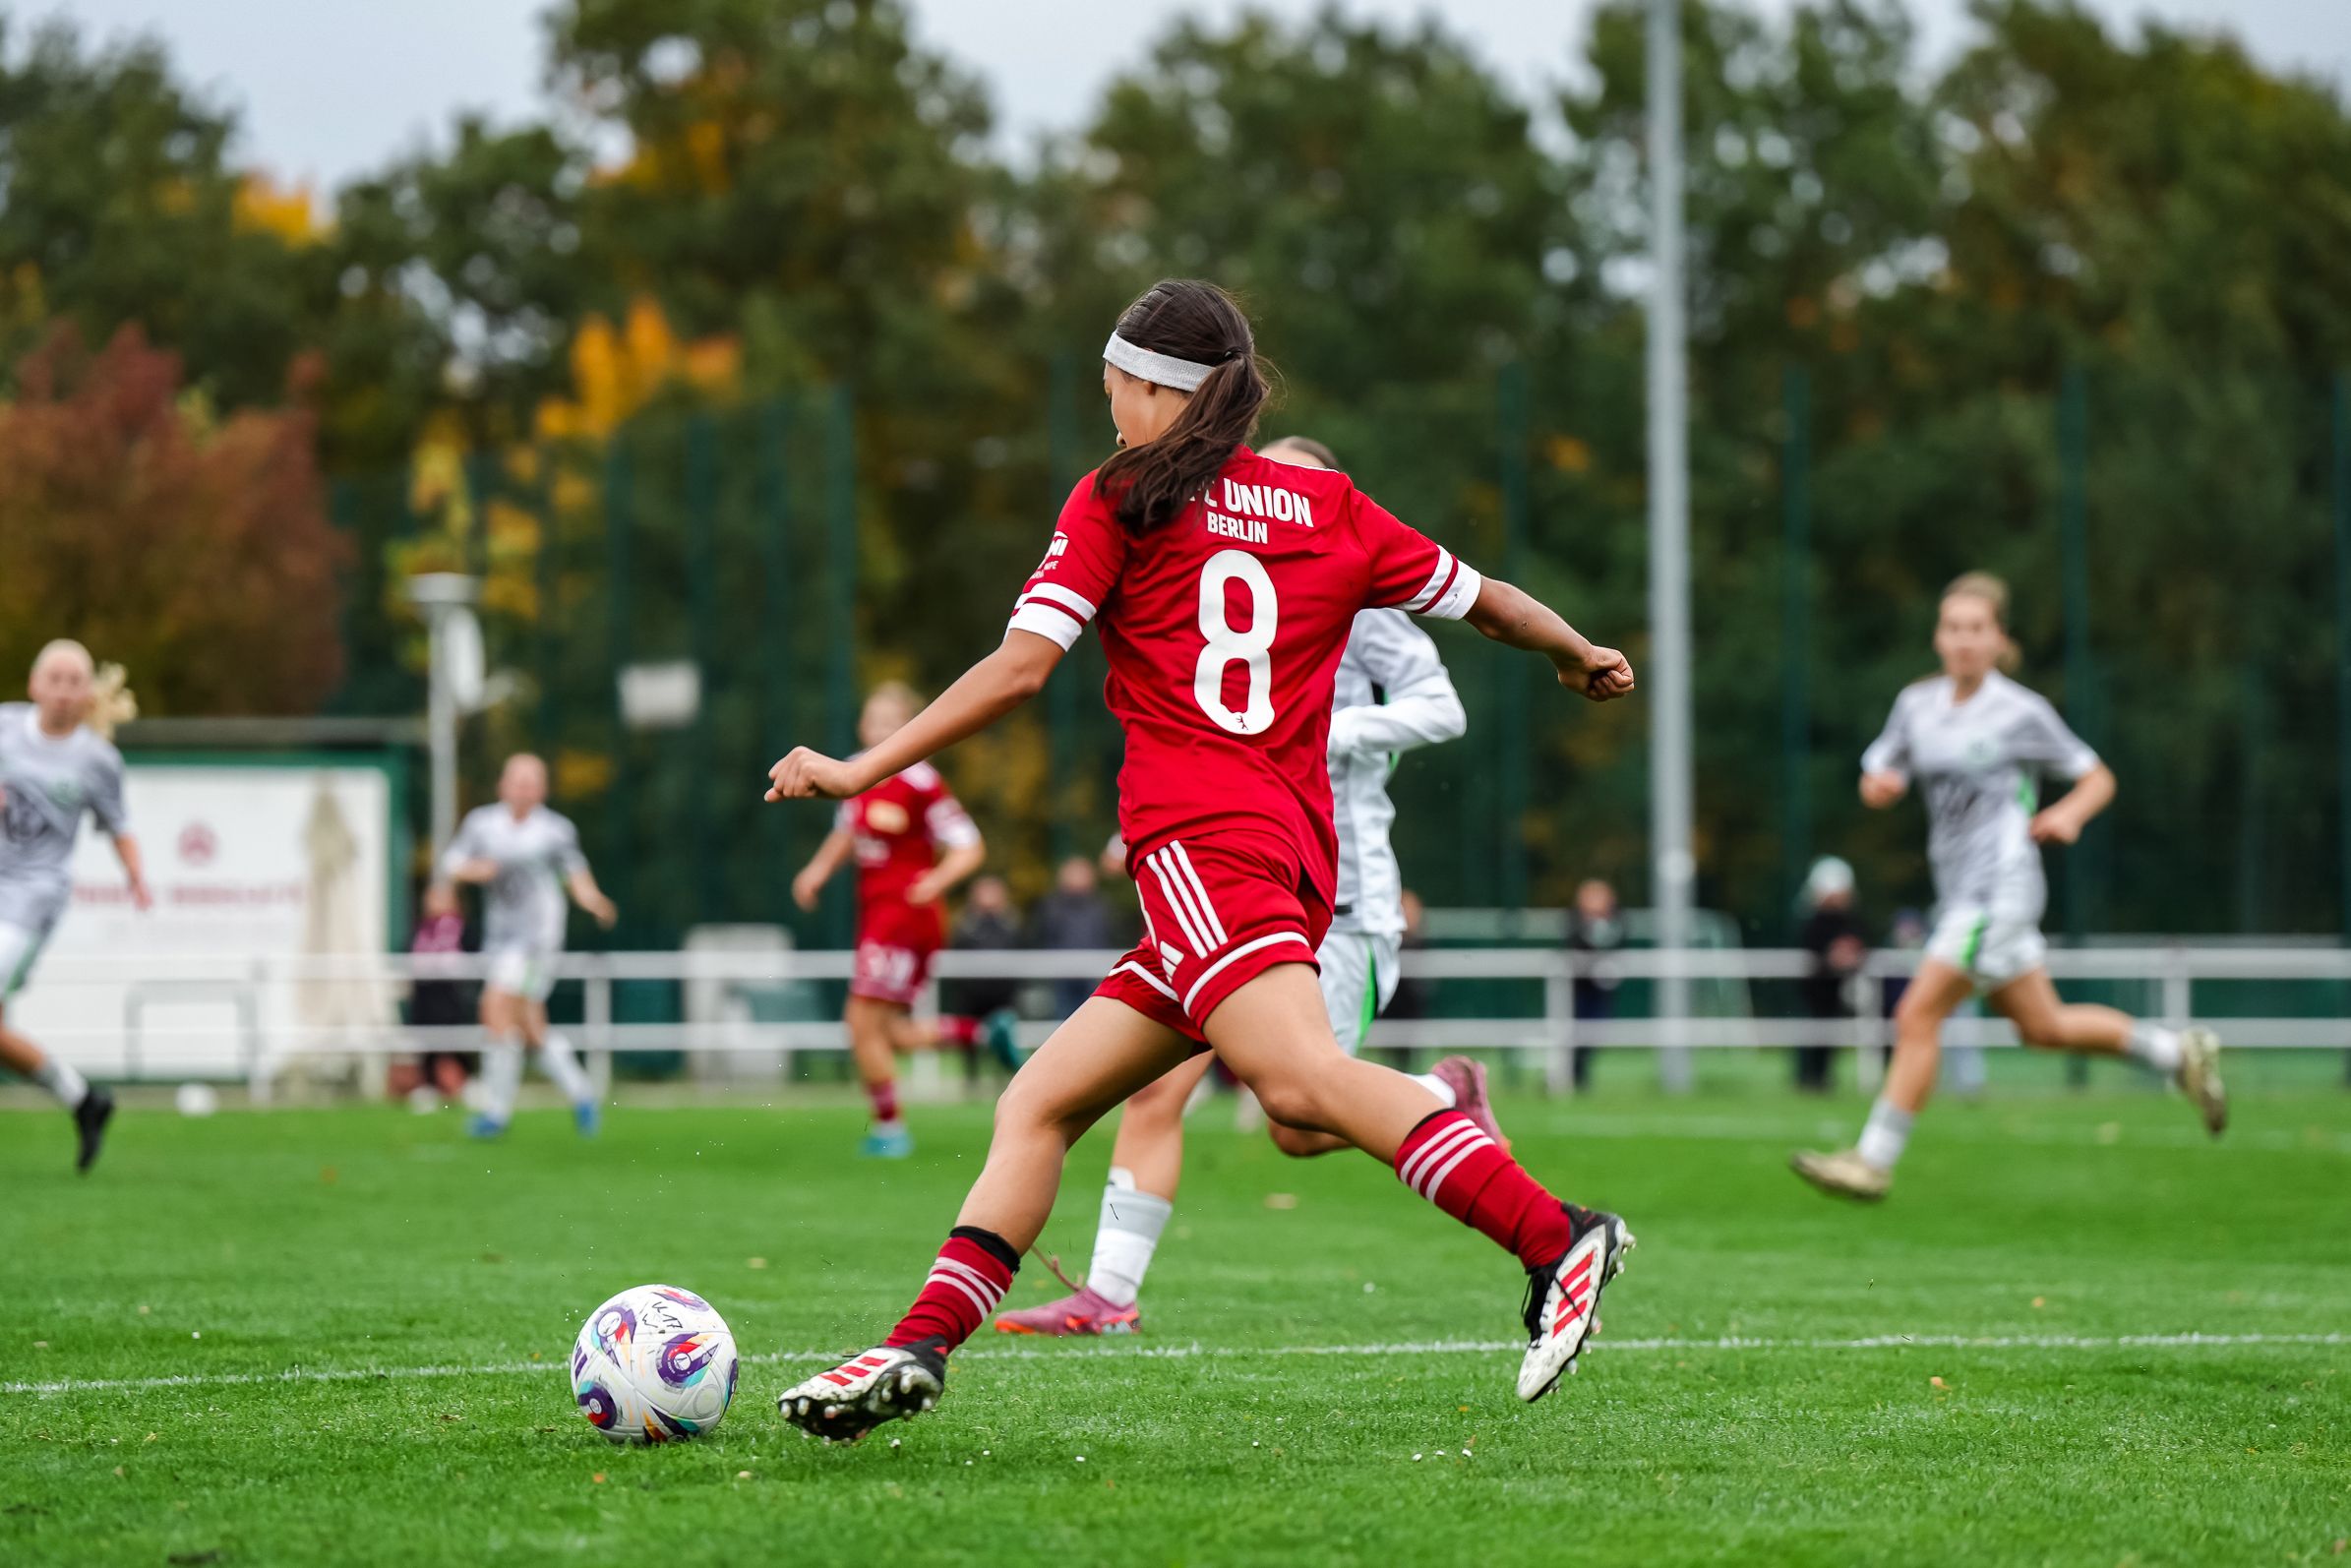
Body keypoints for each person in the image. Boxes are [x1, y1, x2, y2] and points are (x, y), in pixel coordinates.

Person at [765, 279, 1637, 1438]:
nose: (1107, 410)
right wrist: (1579, 654)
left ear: (1155, 389)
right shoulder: (1324, 501)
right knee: (1037, 1103)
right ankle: (916, 1346)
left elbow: (1021, 668)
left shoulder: (1117, 499)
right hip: (1282, 850)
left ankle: (1554, 1233)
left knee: (1297, 1087)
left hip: (1202, 842)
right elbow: (1489, 604)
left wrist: (860, 765)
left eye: (1113, 388)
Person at [995, 432, 1498, 1338]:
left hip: (1338, 901)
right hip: (1231, 877)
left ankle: (1438, 1096)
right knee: (1153, 1089)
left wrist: (1334, 733)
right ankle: (1109, 1295)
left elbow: (1444, 708)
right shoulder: (1210, 568)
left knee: (1296, 1125)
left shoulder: (1357, 587)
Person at [1792, 573, 2224, 1201]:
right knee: (2042, 1028)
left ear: (1998, 639)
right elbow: (1877, 766)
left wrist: (2069, 815)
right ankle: (2174, 1052)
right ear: (1938, 638)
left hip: (2002, 888)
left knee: (1917, 1012)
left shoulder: (2020, 711)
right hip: (1961, 892)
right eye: (1953, 628)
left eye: (1977, 629)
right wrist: (1878, 787)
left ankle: (1873, 1158)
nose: (1964, 640)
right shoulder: (1918, 705)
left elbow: (2097, 777)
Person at [792, 683, 991, 1157]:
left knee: (860, 1023)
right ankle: (981, 1033)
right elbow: (846, 834)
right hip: (879, 916)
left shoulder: (920, 781)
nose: (881, 729)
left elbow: (970, 845)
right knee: (888, 1032)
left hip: (903, 916)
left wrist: (938, 881)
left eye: (891, 723)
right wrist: (817, 871)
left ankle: (890, 1130)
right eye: (874, 719)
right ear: (863, 724)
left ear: (908, 729)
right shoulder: (853, 773)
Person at [0, 641, 146, 1172]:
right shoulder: (5, 728)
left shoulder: (96, 760)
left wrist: (137, 873)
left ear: (87, 695)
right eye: (54, 679)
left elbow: (120, 826)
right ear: (34, 685)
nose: (62, 691)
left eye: (74, 681)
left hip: (34, 896)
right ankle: (84, 1099)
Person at [441, 753, 618, 1138]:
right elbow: (451, 863)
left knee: (494, 1008)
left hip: (537, 941)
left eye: (531, 781)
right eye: (517, 781)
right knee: (531, 1030)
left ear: (542, 789)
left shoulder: (554, 831)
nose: (523, 789)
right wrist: (476, 870)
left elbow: (575, 874)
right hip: (500, 938)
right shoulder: (482, 824)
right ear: (503, 785)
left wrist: (594, 900)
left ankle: (495, 1112)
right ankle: (583, 1095)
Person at [1793, 856, 1866, 1094]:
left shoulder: (1852, 921)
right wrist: (1831, 956)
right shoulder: (1812, 922)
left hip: (1837, 987)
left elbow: (1861, 942)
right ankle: (1807, 1078)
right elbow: (1811, 947)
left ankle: (1821, 1078)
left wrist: (1850, 952)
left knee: (1830, 1034)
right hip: (1815, 988)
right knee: (1811, 1031)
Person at [407, 879, 477, 1103]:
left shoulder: (461, 928)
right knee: (427, 1041)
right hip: (425, 996)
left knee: (455, 1041)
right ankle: (428, 1085)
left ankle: (467, 1083)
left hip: (452, 996)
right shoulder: (419, 929)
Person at [1029, 855, 1118, 1019]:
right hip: (1061, 975)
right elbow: (1044, 937)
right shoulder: (1051, 906)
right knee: (1062, 1021)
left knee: (1093, 1020)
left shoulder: (1101, 907)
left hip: (1092, 973)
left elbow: (1106, 937)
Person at [1565, 877, 1623, 1090]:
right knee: (1574, 1032)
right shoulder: (1575, 921)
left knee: (1596, 1031)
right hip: (1580, 987)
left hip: (1601, 988)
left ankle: (1580, 1075)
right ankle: (1571, 1076)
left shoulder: (1617, 920)